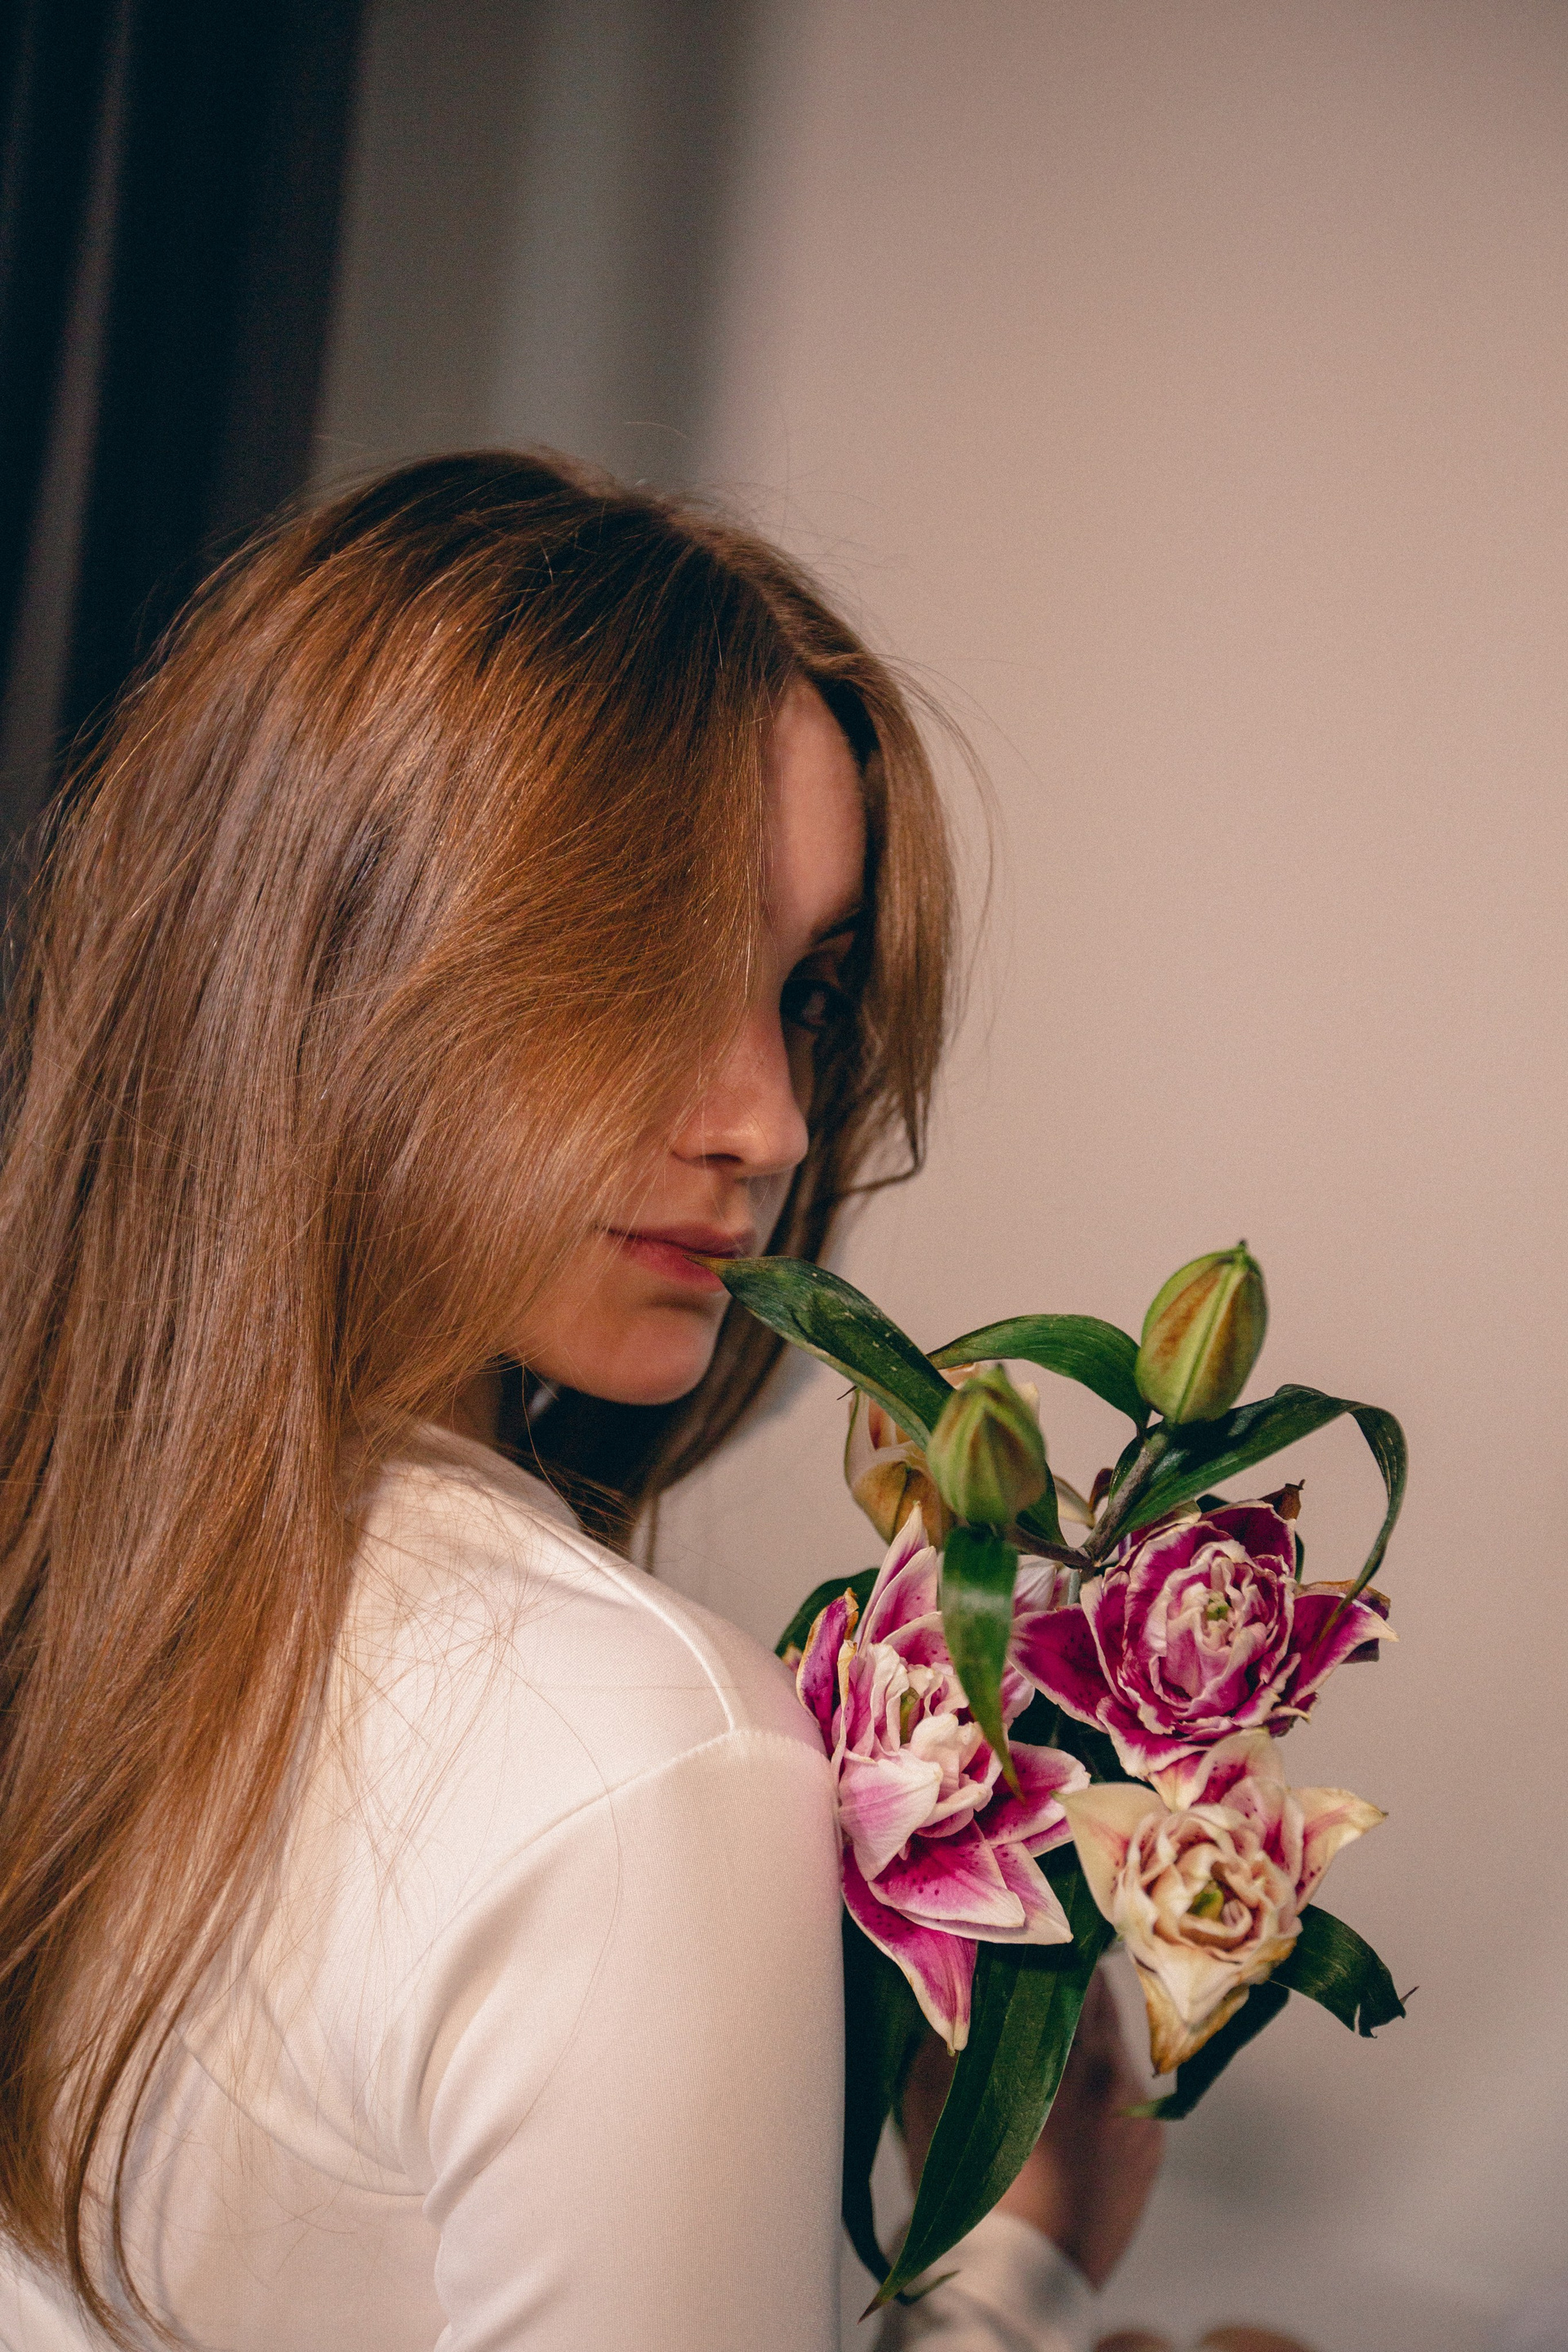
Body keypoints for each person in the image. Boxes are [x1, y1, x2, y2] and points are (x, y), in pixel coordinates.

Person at [0, 452, 1160, 2352]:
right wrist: (1015, 2267)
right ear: (339, 954)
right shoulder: (643, 1756)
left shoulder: (71, 1587)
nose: (773, 1126)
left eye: (805, 992)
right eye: (652, 965)